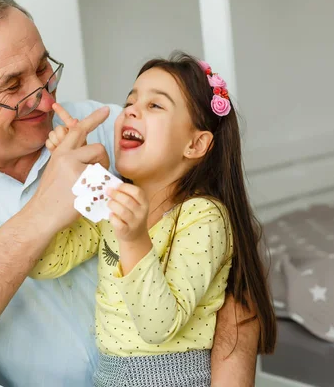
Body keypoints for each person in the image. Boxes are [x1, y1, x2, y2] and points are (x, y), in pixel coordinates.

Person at [0, 0, 263, 386]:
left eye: (43, 68)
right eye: (12, 85)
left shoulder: (120, 134)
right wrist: (44, 210)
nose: (42, 96)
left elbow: (232, 270)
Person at [31, 53, 276, 386]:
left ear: (196, 143)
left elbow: (159, 327)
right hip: (109, 377)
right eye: (130, 101)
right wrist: (67, 172)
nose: (130, 110)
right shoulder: (112, 199)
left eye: (155, 106)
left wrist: (133, 240)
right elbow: (44, 262)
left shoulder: (204, 217)